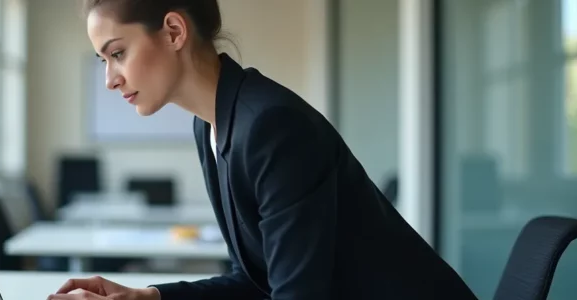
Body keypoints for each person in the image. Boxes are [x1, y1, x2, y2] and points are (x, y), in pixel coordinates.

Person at [49, 0, 478, 299]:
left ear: (174, 31)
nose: (110, 79)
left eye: (118, 53)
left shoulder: (272, 127)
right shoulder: (211, 126)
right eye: (105, 61)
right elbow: (258, 283)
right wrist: (149, 296)